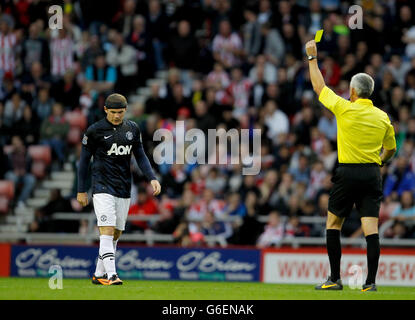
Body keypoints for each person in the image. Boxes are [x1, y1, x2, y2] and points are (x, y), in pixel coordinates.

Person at [306, 40, 397, 292]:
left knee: (333, 224)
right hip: (371, 173)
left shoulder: (344, 108)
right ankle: (370, 283)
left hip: (347, 172)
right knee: (371, 229)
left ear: (354, 92)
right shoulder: (382, 117)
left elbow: (318, 86)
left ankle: (335, 279)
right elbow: (391, 149)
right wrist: (381, 161)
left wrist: (312, 58)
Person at [76, 93, 161, 285]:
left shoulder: (132, 129)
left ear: (126, 110)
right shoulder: (94, 131)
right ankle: (111, 275)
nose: (116, 116)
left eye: (120, 112)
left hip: (123, 187)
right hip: (102, 187)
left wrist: (152, 178)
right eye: (113, 112)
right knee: (106, 229)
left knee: (116, 233)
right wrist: (82, 189)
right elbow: (83, 163)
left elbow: (140, 156)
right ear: (106, 110)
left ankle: (98, 274)